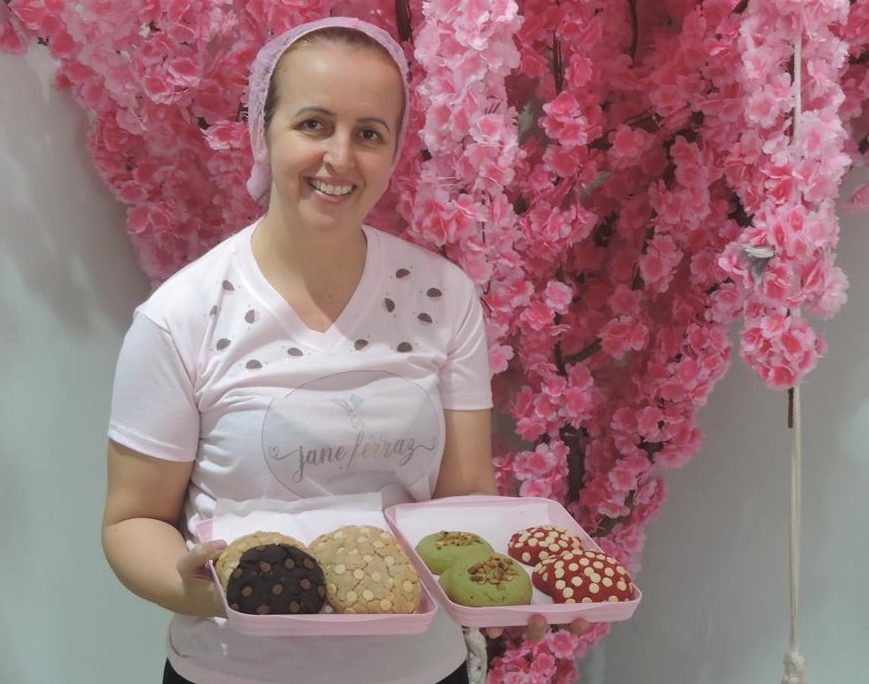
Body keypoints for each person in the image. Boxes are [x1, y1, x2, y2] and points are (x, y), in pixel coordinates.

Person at [102, 16, 583, 684]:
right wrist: (214, 592)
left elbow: (464, 494)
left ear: (392, 151)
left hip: (419, 670)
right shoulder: (181, 316)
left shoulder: (444, 298)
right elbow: (133, 520)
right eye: (313, 124)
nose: (340, 158)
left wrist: (512, 585)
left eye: (368, 134)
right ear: (263, 134)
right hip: (236, 671)